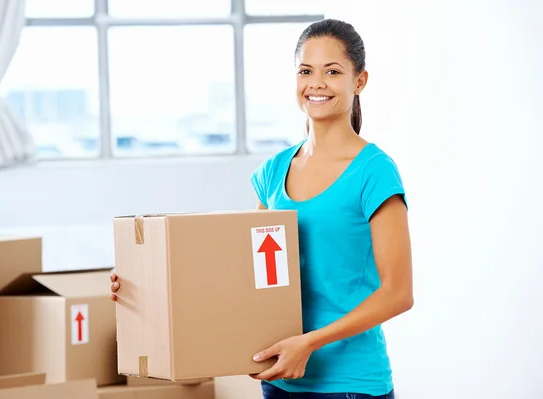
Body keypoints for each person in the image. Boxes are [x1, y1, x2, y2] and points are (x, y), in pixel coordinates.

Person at [110, 18, 412, 399]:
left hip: (349, 385)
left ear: (359, 81)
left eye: (332, 71)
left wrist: (309, 343)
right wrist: (145, 286)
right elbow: (246, 279)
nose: (316, 83)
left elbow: (398, 293)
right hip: (279, 380)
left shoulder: (375, 172)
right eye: (306, 71)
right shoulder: (273, 172)